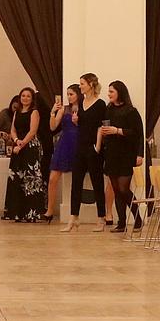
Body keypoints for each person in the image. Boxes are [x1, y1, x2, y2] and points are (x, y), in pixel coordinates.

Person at [61, 73, 108, 233]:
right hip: (80, 146)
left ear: (90, 84)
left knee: (97, 182)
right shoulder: (81, 102)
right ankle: (74, 217)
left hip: (93, 147)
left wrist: (97, 146)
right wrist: (76, 121)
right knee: (76, 182)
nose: (80, 86)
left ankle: (101, 218)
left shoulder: (100, 104)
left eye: (82, 84)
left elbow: (100, 126)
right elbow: (83, 124)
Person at [99, 80, 144, 233]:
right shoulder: (109, 109)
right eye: (109, 91)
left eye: (112, 91)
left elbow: (137, 133)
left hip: (126, 154)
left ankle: (138, 218)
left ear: (120, 92)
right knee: (116, 190)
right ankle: (122, 222)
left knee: (124, 189)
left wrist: (117, 130)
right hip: (111, 153)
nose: (109, 94)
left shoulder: (131, 111)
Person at [4, 87, 46, 222]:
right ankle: (17, 212)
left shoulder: (34, 112)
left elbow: (32, 131)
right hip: (18, 146)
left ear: (32, 99)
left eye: (28, 96)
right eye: (23, 96)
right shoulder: (17, 112)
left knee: (30, 179)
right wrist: (16, 140)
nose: (25, 98)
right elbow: (13, 130)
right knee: (17, 177)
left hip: (30, 147)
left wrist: (21, 145)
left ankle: (32, 213)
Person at [44, 84, 80, 222]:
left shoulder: (84, 108)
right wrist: (52, 112)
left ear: (78, 94)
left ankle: (75, 213)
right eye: (68, 94)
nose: (69, 97)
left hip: (78, 143)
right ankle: (50, 210)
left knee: (77, 179)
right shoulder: (64, 109)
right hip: (64, 143)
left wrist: (77, 122)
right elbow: (52, 126)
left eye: (71, 94)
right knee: (53, 178)